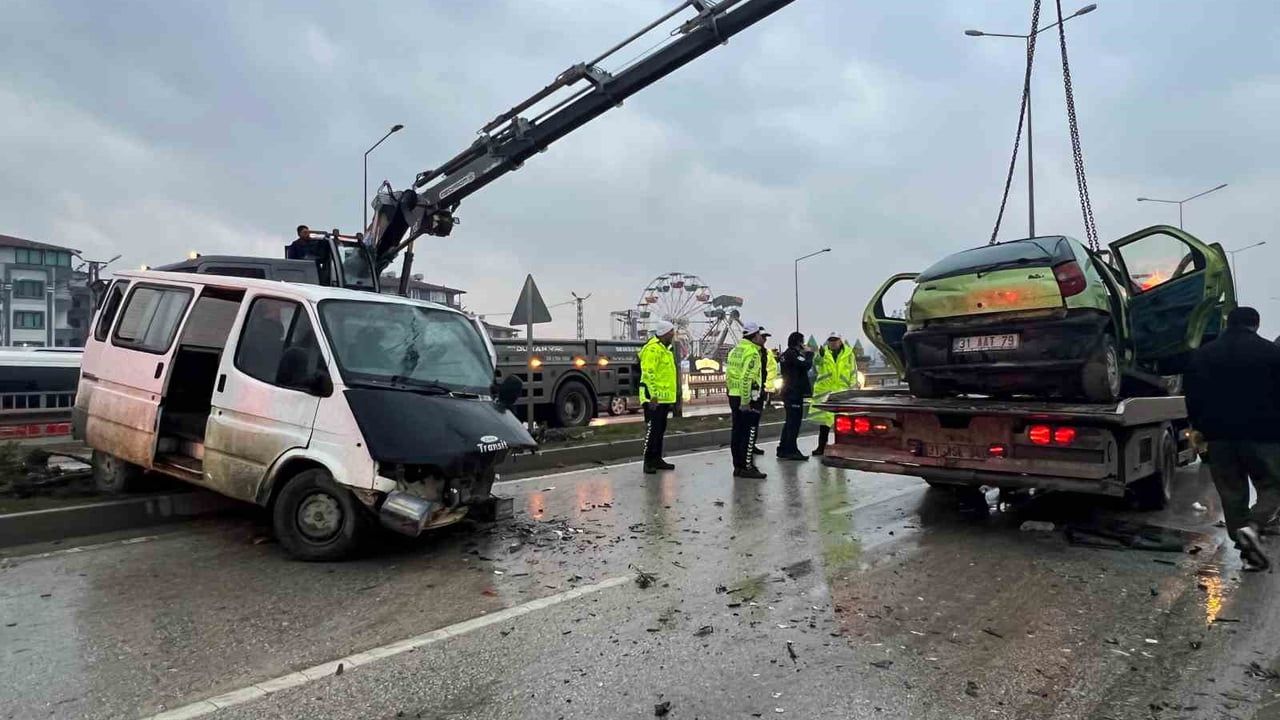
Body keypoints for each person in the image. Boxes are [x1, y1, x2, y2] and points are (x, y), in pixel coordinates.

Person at [1185, 306, 1280, 570]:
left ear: (1228, 323)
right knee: (1273, 486)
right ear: (1256, 325)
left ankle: (1245, 544)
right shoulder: (1272, 353)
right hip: (1265, 436)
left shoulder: (1204, 355)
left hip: (1219, 438)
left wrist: (1200, 428)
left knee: (1232, 492)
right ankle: (1254, 526)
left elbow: (1191, 396)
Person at [726, 323, 767, 479]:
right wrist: (746, 401)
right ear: (755, 336)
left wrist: (732, 393)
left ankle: (738, 466)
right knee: (748, 433)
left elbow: (729, 375)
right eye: (759, 334)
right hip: (748, 397)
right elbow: (746, 378)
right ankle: (747, 466)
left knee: (736, 432)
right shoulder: (752, 353)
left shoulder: (735, 350)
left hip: (734, 395)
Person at [638, 320, 678, 474]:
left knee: (660, 429)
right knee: (652, 430)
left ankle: (657, 458)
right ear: (664, 333)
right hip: (653, 399)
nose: (673, 334)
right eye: (671, 332)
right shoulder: (652, 349)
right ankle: (648, 461)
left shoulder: (665, 349)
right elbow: (648, 374)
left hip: (664, 398)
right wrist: (653, 396)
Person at [809, 331, 857, 456]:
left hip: (841, 392)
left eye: (835, 340)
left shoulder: (848, 354)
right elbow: (817, 364)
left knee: (841, 424)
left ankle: (841, 447)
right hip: (826, 392)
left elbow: (853, 371)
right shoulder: (823, 353)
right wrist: (819, 355)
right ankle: (821, 447)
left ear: (840, 341)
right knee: (824, 424)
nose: (833, 343)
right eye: (831, 340)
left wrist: (853, 389)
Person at [777, 331, 814, 460]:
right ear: (799, 343)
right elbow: (806, 365)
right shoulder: (792, 354)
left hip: (788, 391)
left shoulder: (786, 354)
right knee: (794, 423)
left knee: (789, 422)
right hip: (793, 392)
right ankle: (791, 450)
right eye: (802, 342)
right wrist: (809, 354)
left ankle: (783, 448)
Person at [751, 334, 776, 456]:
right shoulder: (753, 352)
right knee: (750, 421)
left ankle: (752, 445)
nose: (765, 340)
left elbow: (769, 370)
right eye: (763, 337)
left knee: (755, 420)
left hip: (762, 389)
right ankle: (747, 447)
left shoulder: (766, 352)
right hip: (752, 391)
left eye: (766, 338)